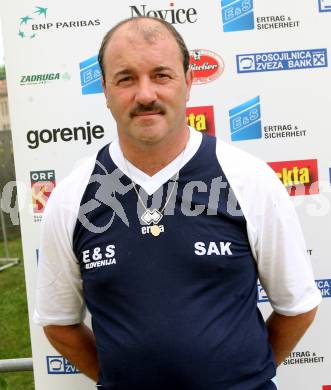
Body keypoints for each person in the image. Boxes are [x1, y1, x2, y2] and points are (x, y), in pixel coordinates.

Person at [34, 16, 321, 390]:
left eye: (161, 75)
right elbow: (58, 322)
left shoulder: (249, 179)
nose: (145, 94)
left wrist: (242, 378)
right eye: (126, 79)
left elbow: (297, 307)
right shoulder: (74, 196)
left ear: (188, 82)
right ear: (104, 89)